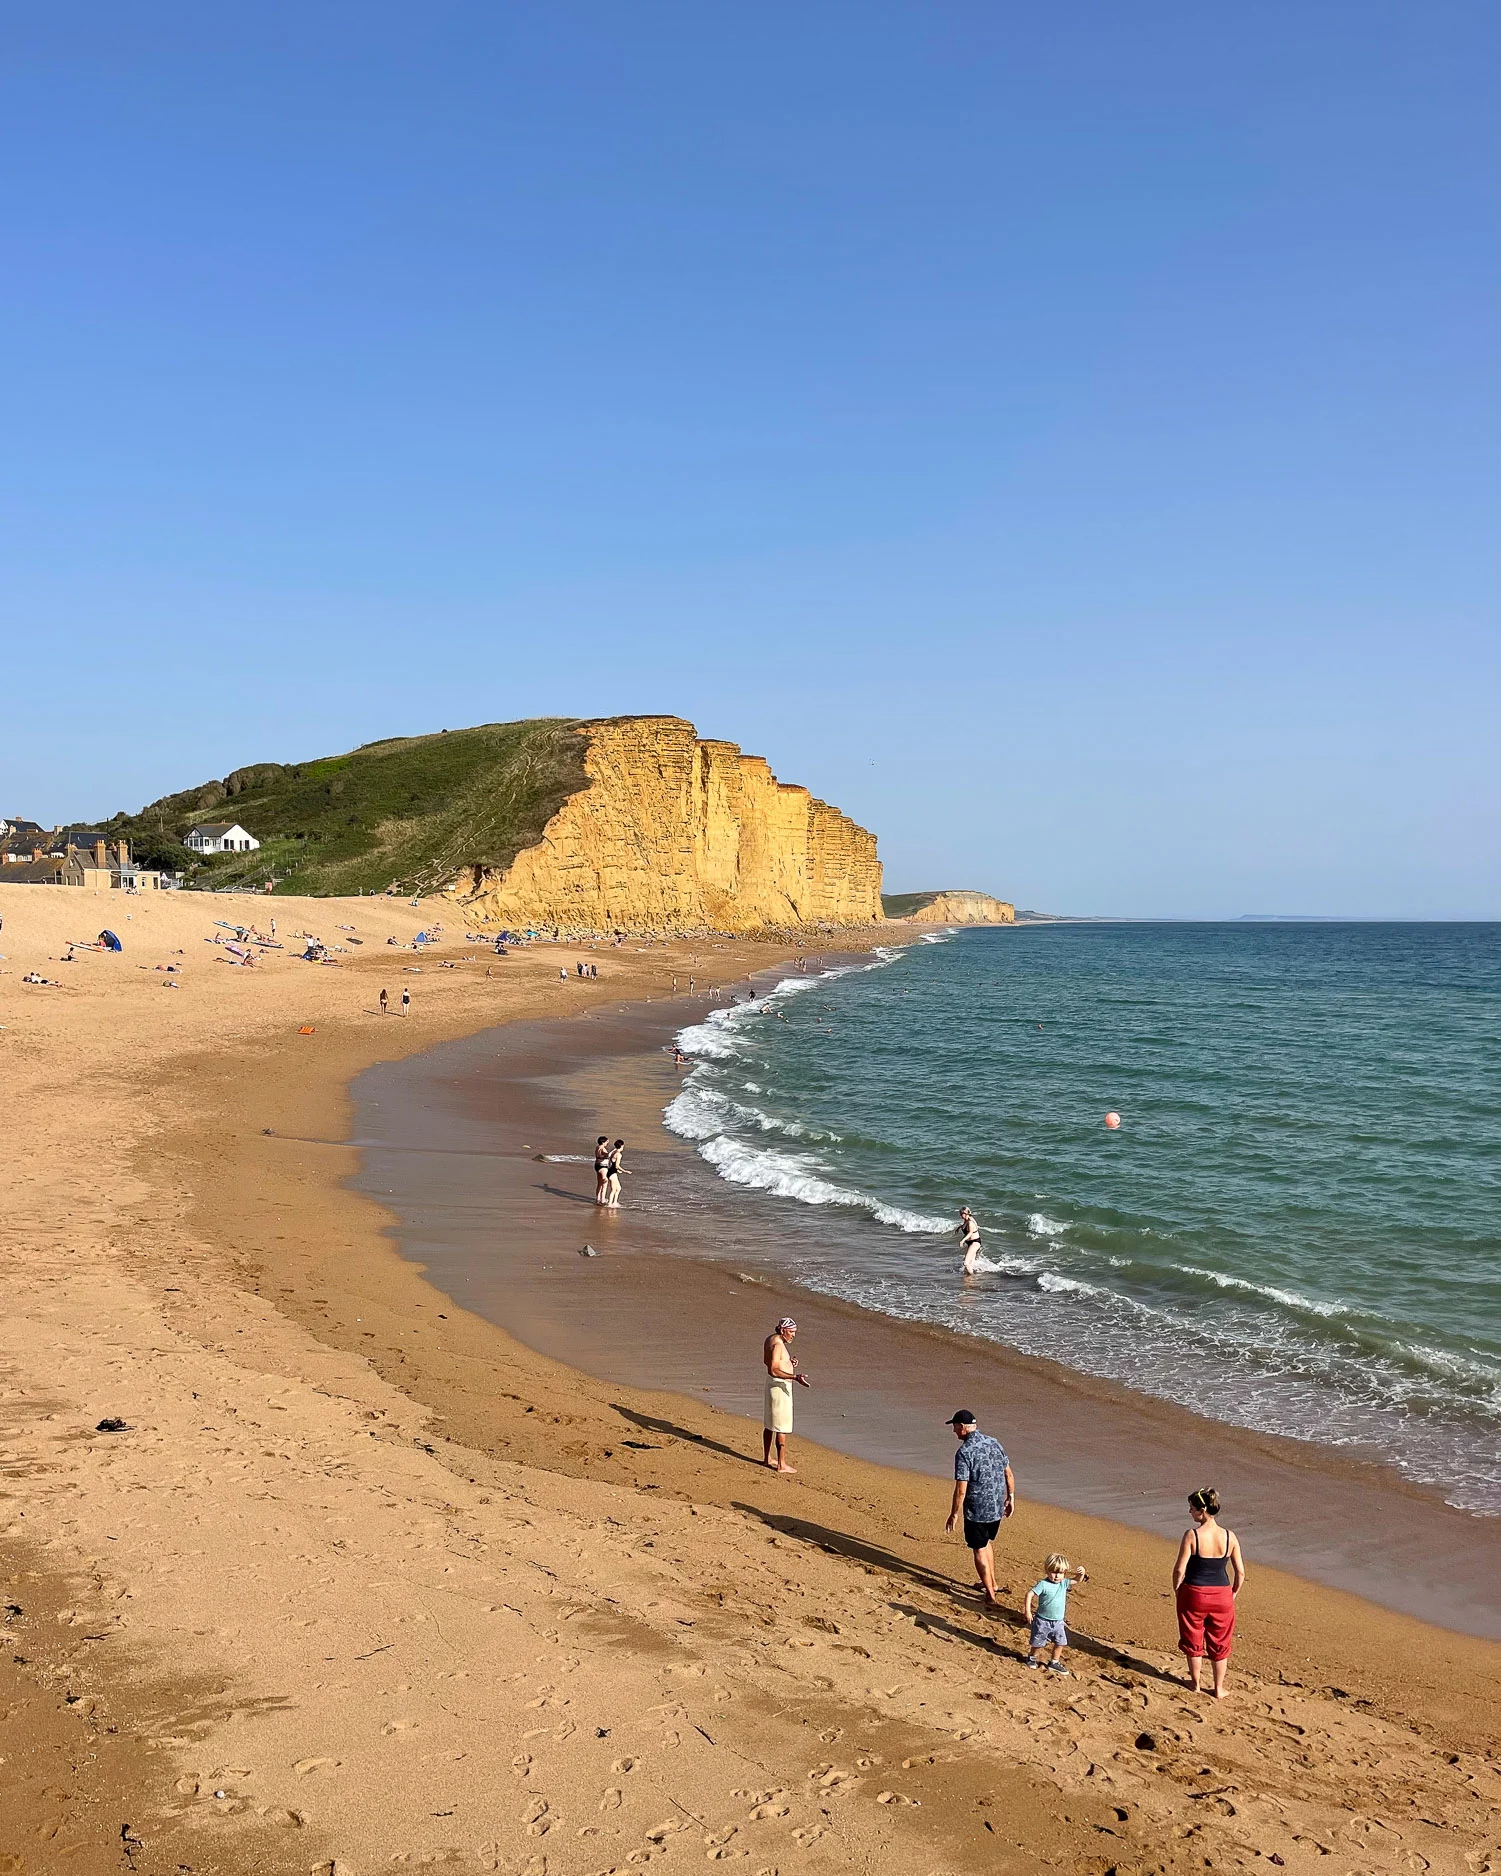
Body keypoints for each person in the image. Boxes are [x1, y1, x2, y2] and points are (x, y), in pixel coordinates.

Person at [1171, 1487, 1244, 1698]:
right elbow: (1240, 1571)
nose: (1190, 1512)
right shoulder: (1230, 1537)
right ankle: (1219, 1688)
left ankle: (1195, 1684)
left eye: (1192, 1508)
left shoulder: (1192, 1535)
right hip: (1222, 1593)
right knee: (1220, 1640)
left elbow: (1179, 1568)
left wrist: (1178, 1588)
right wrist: (1234, 1592)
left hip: (1194, 1591)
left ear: (1202, 1510)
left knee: (1193, 1636)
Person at [944, 1410, 1015, 1608]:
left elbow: (961, 1490)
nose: (954, 1431)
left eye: (955, 1427)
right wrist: (1010, 1498)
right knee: (986, 1543)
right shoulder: (994, 1442)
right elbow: (1008, 1473)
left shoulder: (964, 1452)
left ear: (963, 1427)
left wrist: (954, 1514)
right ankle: (991, 1582)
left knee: (978, 1548)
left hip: (977, 1509)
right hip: (996, 1507)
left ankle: (990, 1594)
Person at [1025, 1553, 1088, 1675]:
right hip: (1042, 1620)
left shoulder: (1063, 1583)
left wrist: (1081, 1573)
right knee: (1038, 1643)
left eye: (1060, 1573)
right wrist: (1027, 1611)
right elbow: (1029, 1594)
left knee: (1060, 1643)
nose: (1057, 1576)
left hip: (1058, 1621)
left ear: (1064, 1573)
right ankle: (1032, 1657)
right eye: (1053, 1572)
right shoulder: (1043, 1584)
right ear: (1047, 1570)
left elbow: (1076, 1580)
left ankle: (1054, 1662)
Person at [762, 1318, 810, 1472]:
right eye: (791, 1332)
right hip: (779, 1387)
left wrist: (789, 1363)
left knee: (770, 1424)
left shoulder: (771, 1339)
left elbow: (768, 1361)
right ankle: (782, 1464)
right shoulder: (778, 1344)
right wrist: (794, 1377)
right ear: (783, 1330)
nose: (793, 1335)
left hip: (771, 1385)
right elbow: (773, 1369)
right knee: (781, 1426)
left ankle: (767, 1458)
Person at [957, 1206, 984, 1274]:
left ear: (966, 1214)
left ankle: (972, 1278)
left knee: (966, 1263)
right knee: (970, 1263)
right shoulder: (967, 1220)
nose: (960, 1215)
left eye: (961, 1214)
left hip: (975, 1243)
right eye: (960, 1214)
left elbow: (970, 1232)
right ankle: (971, 1276)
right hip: (971, 1243)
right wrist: (959, 1227)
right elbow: (966, 1226)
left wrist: (962, 1241)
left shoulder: (970, 1222)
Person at [605, 1138, 626, 1208]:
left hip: (611, 1172)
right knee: (613, 1189)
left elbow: (612, 1163)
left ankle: (614, 1202)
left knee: (618, 1188)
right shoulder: (618, 1154)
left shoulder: (613, 1152)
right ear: (621, 1146)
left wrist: (618, 1170)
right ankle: (610, 1204)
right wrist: (624, 1171)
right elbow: (617, 1165)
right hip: (612, 1173)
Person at [593, 1136, 611, 1204]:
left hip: (597, 1166)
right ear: (603, 1142)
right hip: (603, 1167)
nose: (607, 1143)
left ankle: (597, 1198)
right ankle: (602, 1199)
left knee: (599, 1183)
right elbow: (607, 1155)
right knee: (604, 1183)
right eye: (606, 1142)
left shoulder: (597, 1147)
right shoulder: (602, 1148)